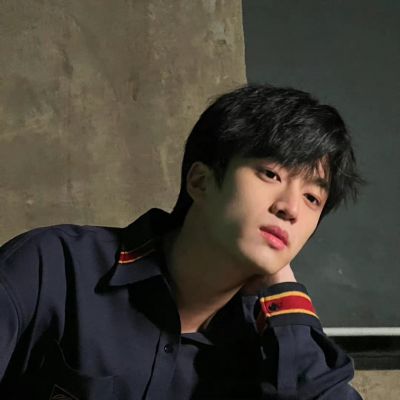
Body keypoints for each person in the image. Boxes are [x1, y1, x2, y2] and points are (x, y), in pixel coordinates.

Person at [0, 84, 363, 399]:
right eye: (270, 174)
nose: (290, 208)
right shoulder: (51, 266)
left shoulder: (271, 348)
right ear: (200, 181)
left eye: (312, 198)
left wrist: (284, 292)